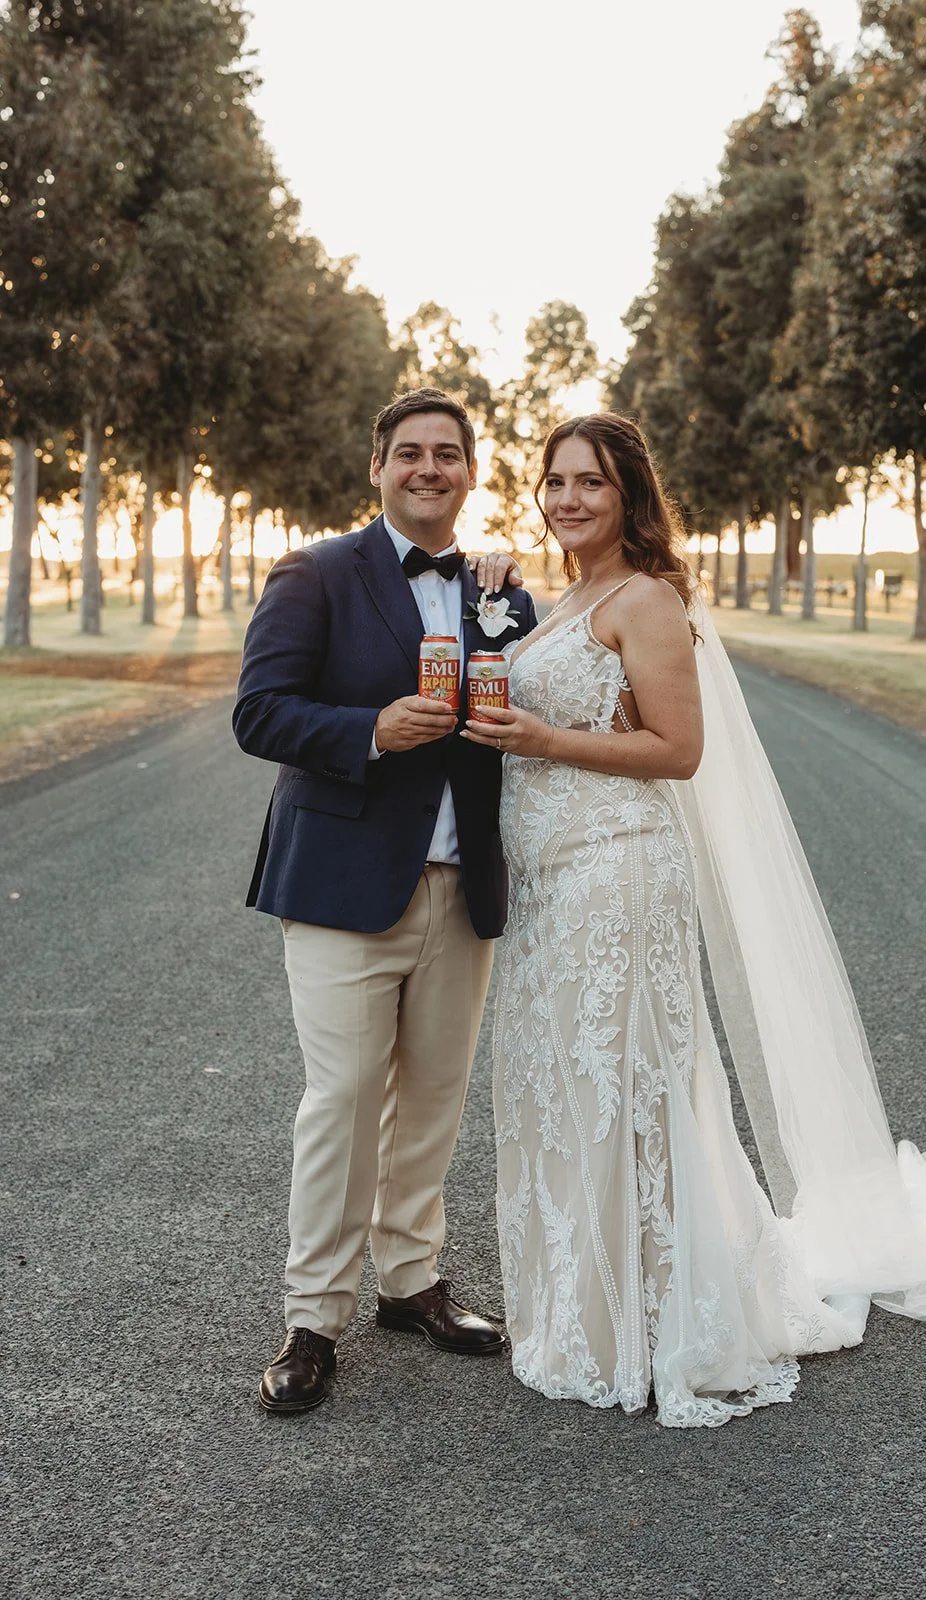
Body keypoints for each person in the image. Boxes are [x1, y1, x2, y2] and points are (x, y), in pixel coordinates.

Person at [462, 413, 926, 1428]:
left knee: (624, 1088)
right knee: (564, 1084)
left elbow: (676, 749)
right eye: (554, 482)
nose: (568, 499)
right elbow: (507, 661)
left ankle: (655, 1317)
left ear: (629, 498)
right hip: (545, 884)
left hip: (618, 873)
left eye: (591, 484)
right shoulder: (563, 595)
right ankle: (582, 1307)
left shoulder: (647, 599)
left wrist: (539, 736)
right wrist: (490, 594)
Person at [234, 388, 537, 1414]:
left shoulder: (498, 587)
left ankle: (411, 1282)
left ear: (468, 471)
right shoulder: (315, 572)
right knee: (344, 1100)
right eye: (408, 453)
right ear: (377, 468)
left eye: (446, 454)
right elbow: (259, 712)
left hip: (464, 890)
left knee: (437, 1097)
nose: (427, 468)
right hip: (340, 887)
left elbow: (532, 705)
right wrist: (369, 729)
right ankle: (313, 1315)